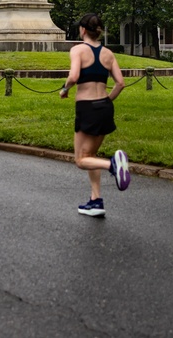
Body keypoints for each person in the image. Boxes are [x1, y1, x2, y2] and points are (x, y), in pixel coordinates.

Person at [59, 13, 130, 216]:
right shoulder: (108, 53)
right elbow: (121, 83)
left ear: (82, 30)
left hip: (87, 108)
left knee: (81, 160)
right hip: (105, 107)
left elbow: (73, 76)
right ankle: (95, 201)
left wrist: (64, 90)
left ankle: (113, 165)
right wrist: (107, 100)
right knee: (91, 155)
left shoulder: (78, 50)